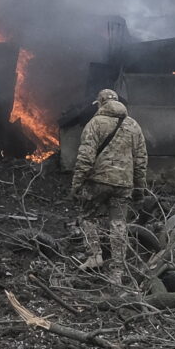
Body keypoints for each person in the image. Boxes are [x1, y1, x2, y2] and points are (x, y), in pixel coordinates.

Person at [70, 88, 148, 282]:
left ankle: (95, 255)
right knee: (119, 223)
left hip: (98, 181)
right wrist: (140, 188)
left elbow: (85, 157)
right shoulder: (133, 126)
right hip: (124, 184)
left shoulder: (95, 123)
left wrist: (77, 184)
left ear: (100, 103)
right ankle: (117, 271)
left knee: (88, 216)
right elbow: (141, 161)